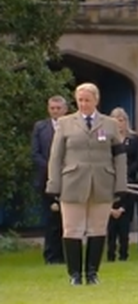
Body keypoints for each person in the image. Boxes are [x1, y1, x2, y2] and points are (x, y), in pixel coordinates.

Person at [46, 83, 127, 285]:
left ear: (96, 100)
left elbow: (119, 157)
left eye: (87, 100)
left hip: (102, 182)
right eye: (80, 100)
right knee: (71, 229)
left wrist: (121, 184)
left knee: (97, 228)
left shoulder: (109, 124)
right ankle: (74, 274)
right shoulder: (65, 123)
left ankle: (92, 273)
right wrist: (53, 184)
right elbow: (56, 157)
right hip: (72, 182)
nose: (83, 104)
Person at [31, 95, 68, 265]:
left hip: (68, 179)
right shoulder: (40, 127)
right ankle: (51, 256)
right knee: (50, 219)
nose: (55, 111)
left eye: (58, 108)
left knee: (65, 220)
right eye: (52, 108)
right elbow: (35, 153)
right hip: (45, 179)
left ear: (65, 109)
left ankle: (65, 255)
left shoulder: (71, 125)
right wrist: (51, 168)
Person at [106, 107, 138, 261]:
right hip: (110, 182)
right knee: (111, 224)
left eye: (121, 120)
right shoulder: (106, 138)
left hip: (129, 182)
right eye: (115, 120)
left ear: (126, 121)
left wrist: (126, 172)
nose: (118, 123)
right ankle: (110, 254)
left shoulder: (134, 139)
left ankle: (124, 254)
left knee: (124, 222)